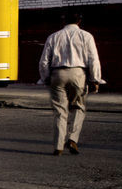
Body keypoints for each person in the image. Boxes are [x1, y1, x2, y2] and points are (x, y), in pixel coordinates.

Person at [37, 12, 105, 156]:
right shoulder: (86, 36)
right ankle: (73, 138)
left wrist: (46, 77)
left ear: (63, 21)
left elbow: (44, 61)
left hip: (57, 74)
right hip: (78, 74)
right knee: (79, 107)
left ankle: (58, 145)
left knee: (60, 111)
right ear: (79, 21)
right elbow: (93, 59)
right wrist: (95, 79)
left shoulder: (53, 36)